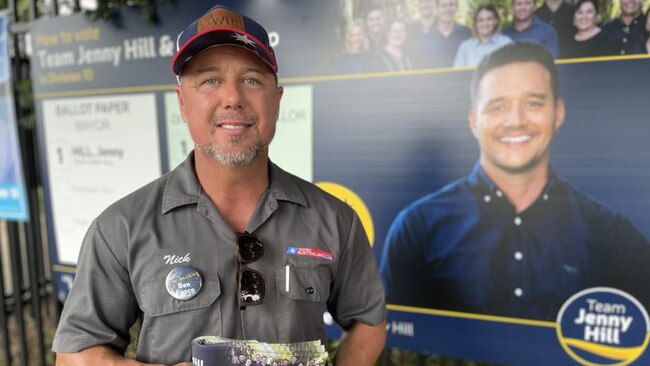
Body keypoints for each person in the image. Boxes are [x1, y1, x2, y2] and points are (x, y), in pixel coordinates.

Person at [52, 5, 387, 366]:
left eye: (252, 79)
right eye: (210, 80)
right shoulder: (121, 228)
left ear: (277, 99)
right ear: (182, 101)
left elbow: (369, 322)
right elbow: (76, 355)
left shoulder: (334, 219)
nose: (232, 98)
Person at [379, 42, 650, 321]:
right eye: (498, 107)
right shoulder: (418, 228)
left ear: (558, 113)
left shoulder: (611, 235)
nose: (516, 121)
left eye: (533, 103)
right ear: (474, 121)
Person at [426, 0, 471, 67]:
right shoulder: (427, 37)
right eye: (443, 6)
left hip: (460, 77)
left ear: (456, 7)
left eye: (451, 5)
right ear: (437, 9)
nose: (447, 9)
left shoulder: (467, 34)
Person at [406, 0, 438, 68]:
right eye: (421, 1)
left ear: (435, 3)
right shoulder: (409, 29)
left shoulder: (444, 27)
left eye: (428, 1)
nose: (424, 5)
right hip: (417, 75)